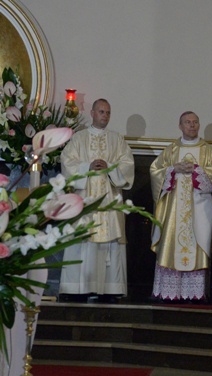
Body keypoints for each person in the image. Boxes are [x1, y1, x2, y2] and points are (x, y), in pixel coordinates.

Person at [59, 98, 134, 303]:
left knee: (110, 242)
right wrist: (87, 167)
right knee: (83, 239)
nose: (105, 116)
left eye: (108, 112)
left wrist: (109, 166)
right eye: (101, 111)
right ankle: (78, 287)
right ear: (92, 113)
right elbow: (67, 161)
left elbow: (127, 164)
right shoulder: (79, 138)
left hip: (109, 199)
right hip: (85, 198)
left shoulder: (117, 139)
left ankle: (110, 288)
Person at [150, 111, 212, 303]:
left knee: (197, 244)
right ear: (180, 126)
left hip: (199, 210)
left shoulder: (208, 150)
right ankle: (170, 294)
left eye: (195, 122)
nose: (192, 125)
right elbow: (155, 171)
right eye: (187, 122)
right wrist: (173, 170)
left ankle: (194, 294)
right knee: (172, 244)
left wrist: (198, 171)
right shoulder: (172, 150)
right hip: (174, 210)